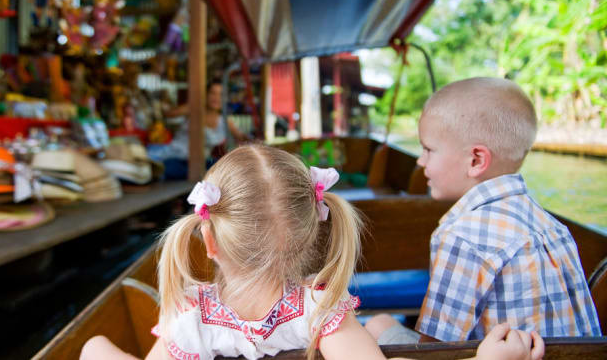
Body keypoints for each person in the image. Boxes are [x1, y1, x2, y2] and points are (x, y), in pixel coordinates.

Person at [81, 144, 544, 360]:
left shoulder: (189, 317)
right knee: (387, 330)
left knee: (95, 347)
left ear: (209, 241)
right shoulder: (320, 311)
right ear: (311, 234)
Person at [365, 77, 601, 345]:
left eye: (429, 150)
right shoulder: (553, 227)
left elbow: (436, 348)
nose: (420, 161)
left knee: (376, 323)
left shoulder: (461, 237)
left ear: (476, 160)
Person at [147, 79, 247, 179]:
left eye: (221, 95)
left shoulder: (225, 121)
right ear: (206, 95)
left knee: (222, 168)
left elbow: (242, 139)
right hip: (174, 159)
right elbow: (166, 114)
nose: (216, 98)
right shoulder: (193, 108)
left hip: (198, 164)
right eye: (213, 93)